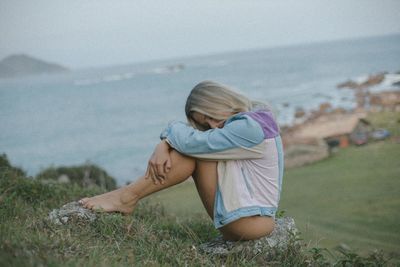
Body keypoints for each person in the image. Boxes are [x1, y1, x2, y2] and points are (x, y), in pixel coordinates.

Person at [80, 81, 284, 241]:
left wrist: (165, 141)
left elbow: (193, 143)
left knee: (192, 153)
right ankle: (125, 197)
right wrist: (167, 144)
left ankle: (126, 198)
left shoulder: (251, 127)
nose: (213, 125)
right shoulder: (254, 120)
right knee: (193, 150)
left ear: (221, 102)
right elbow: (195, 141)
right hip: (246, 219)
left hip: (250, 224)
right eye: (207, 123)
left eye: (211, 116)